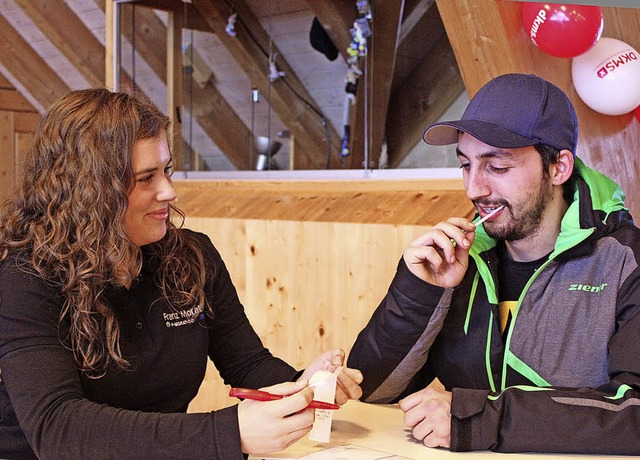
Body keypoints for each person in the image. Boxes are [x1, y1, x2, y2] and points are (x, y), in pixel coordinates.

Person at [0, 88, 363, 460]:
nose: (169, 191)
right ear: (88, 190)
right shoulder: (26, 278)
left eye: (166, 170)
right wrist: (229, 434)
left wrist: (302, 387)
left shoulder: (192, 257)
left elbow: (249, 364)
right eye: (146, 178)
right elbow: (57, 428)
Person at [347, 73, 640, 454]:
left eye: (496, 167)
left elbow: (634, 415)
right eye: (465, 165)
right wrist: (419, 291)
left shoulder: (626, 262)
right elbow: (370, 388)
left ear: (558, 168)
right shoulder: (462, 261)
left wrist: (482, 419)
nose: (473, 189)